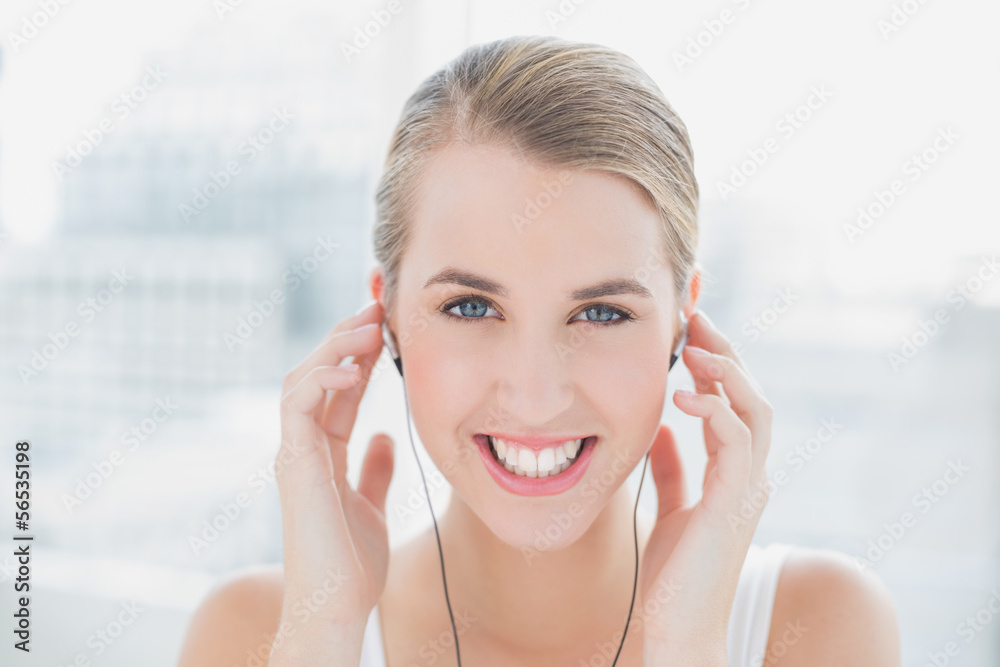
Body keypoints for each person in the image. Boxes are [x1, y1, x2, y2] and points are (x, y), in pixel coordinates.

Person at [178, 35, 900, 666]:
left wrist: (687, 651)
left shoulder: (819, 625)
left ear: (683, 324)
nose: (535, 394)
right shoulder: (254, 635)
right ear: (387, 319)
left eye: (601, 311)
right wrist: (324, 637)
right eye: (470, 306)